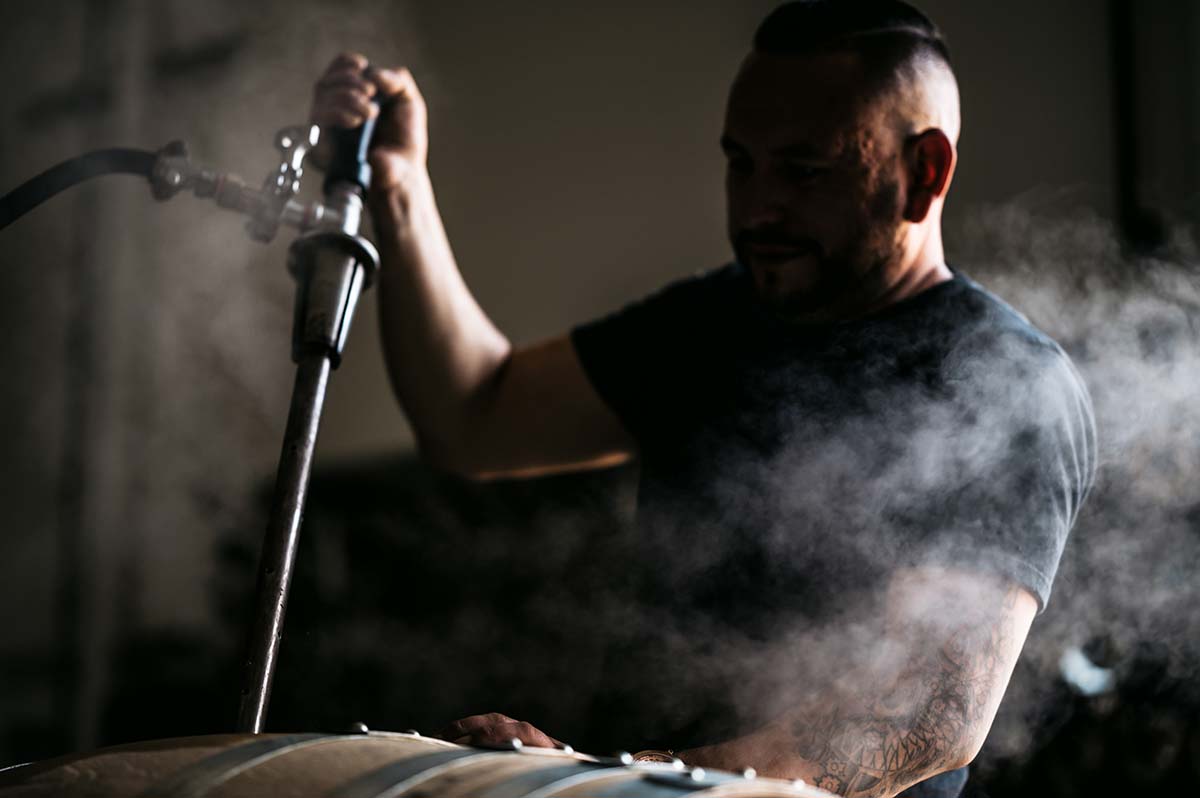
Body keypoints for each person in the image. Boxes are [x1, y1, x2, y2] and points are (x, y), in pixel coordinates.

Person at [308, 2, 1096, 796]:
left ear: (925, 171)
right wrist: (400, 190)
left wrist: (613, 783)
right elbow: (473, 417)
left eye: (805, 169)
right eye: (740, 163)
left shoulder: (1003, 380)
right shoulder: (714, 323)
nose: (757, 209)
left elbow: (922, 716)